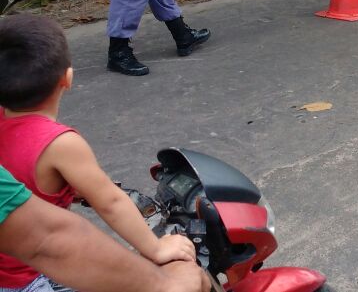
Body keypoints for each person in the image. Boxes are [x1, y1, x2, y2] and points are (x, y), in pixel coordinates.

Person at [0, 15, 197, 291]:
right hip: (31, 278)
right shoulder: (61, 144)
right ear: (67, 78)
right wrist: (156, 248)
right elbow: (110, 203)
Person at [0, 166, 207, 292]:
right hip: (22, 280)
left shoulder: (7, 124)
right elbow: (46, 239)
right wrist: (165, 280)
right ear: (64, 89)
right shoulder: (61, 140)